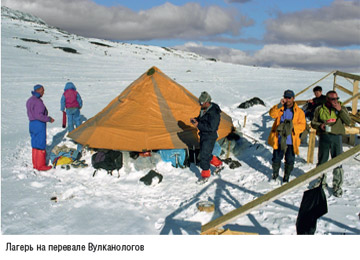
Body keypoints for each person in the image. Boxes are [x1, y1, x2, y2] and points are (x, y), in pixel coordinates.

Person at [311, 90, 351, 197]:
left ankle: (337, 185)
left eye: (337, 99)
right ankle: (321, 181)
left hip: (336, 136)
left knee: (337, 161)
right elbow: (313, 122)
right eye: (333, 99)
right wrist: (320, 126)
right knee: (322, 160)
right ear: (327, 99)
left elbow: (348, 122)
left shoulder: (341, 108)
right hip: (324, 136)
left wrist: (340, 110)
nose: (335, 101)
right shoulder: (319, 109)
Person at [268, 90, 306, 182]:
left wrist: (292, 127)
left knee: (289, 160)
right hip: (279, 139)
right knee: (276, 158)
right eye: (285, 97)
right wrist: (279, 105)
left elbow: (303, 125)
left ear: (293, 98)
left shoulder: (299, 112)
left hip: (291, 140)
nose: (287, 100)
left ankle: (286, 177)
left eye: (289, 98)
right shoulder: (280, 109)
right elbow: (272, 114)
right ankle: (275, 175)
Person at [190, 91, 223, 180]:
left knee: (204, 156)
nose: (200, 105)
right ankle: (218, 164)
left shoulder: (214, 113)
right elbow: (203, 119)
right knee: (206, 154)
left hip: (210, 136)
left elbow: (212, 127)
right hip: (203, 134)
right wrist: (196, 120)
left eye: (201, 103)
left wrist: (198, 125)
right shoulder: (204, 109)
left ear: (207, 102)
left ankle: (205, 175)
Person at [26, 84, 55, 171]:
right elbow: (39, 115)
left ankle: (35, 164)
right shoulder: (38, 102)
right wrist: (49, 119)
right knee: (40, 144)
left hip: (32, 124)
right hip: (39, 124)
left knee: (35, 143)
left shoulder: (30, 100)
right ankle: (41, 165)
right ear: (38, 90)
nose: (43, 92)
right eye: (43, 90)